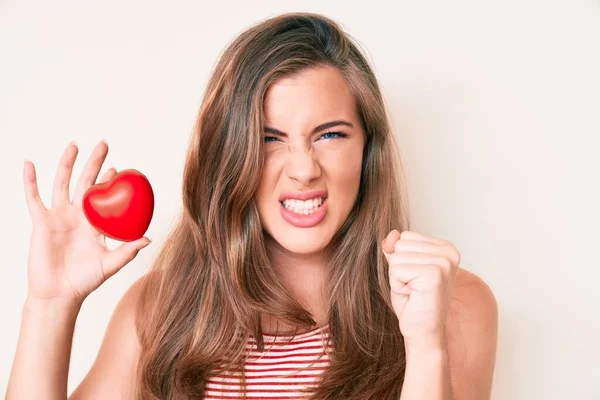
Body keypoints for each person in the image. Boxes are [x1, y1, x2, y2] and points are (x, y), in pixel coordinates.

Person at [6, 11, 498, 400]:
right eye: (269, 138)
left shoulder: (451, 302)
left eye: (330, 134)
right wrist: (50, 305)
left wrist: (425, 344)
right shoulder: (163, 309)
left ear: (368, 149)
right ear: (229, 154)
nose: (304, 168)